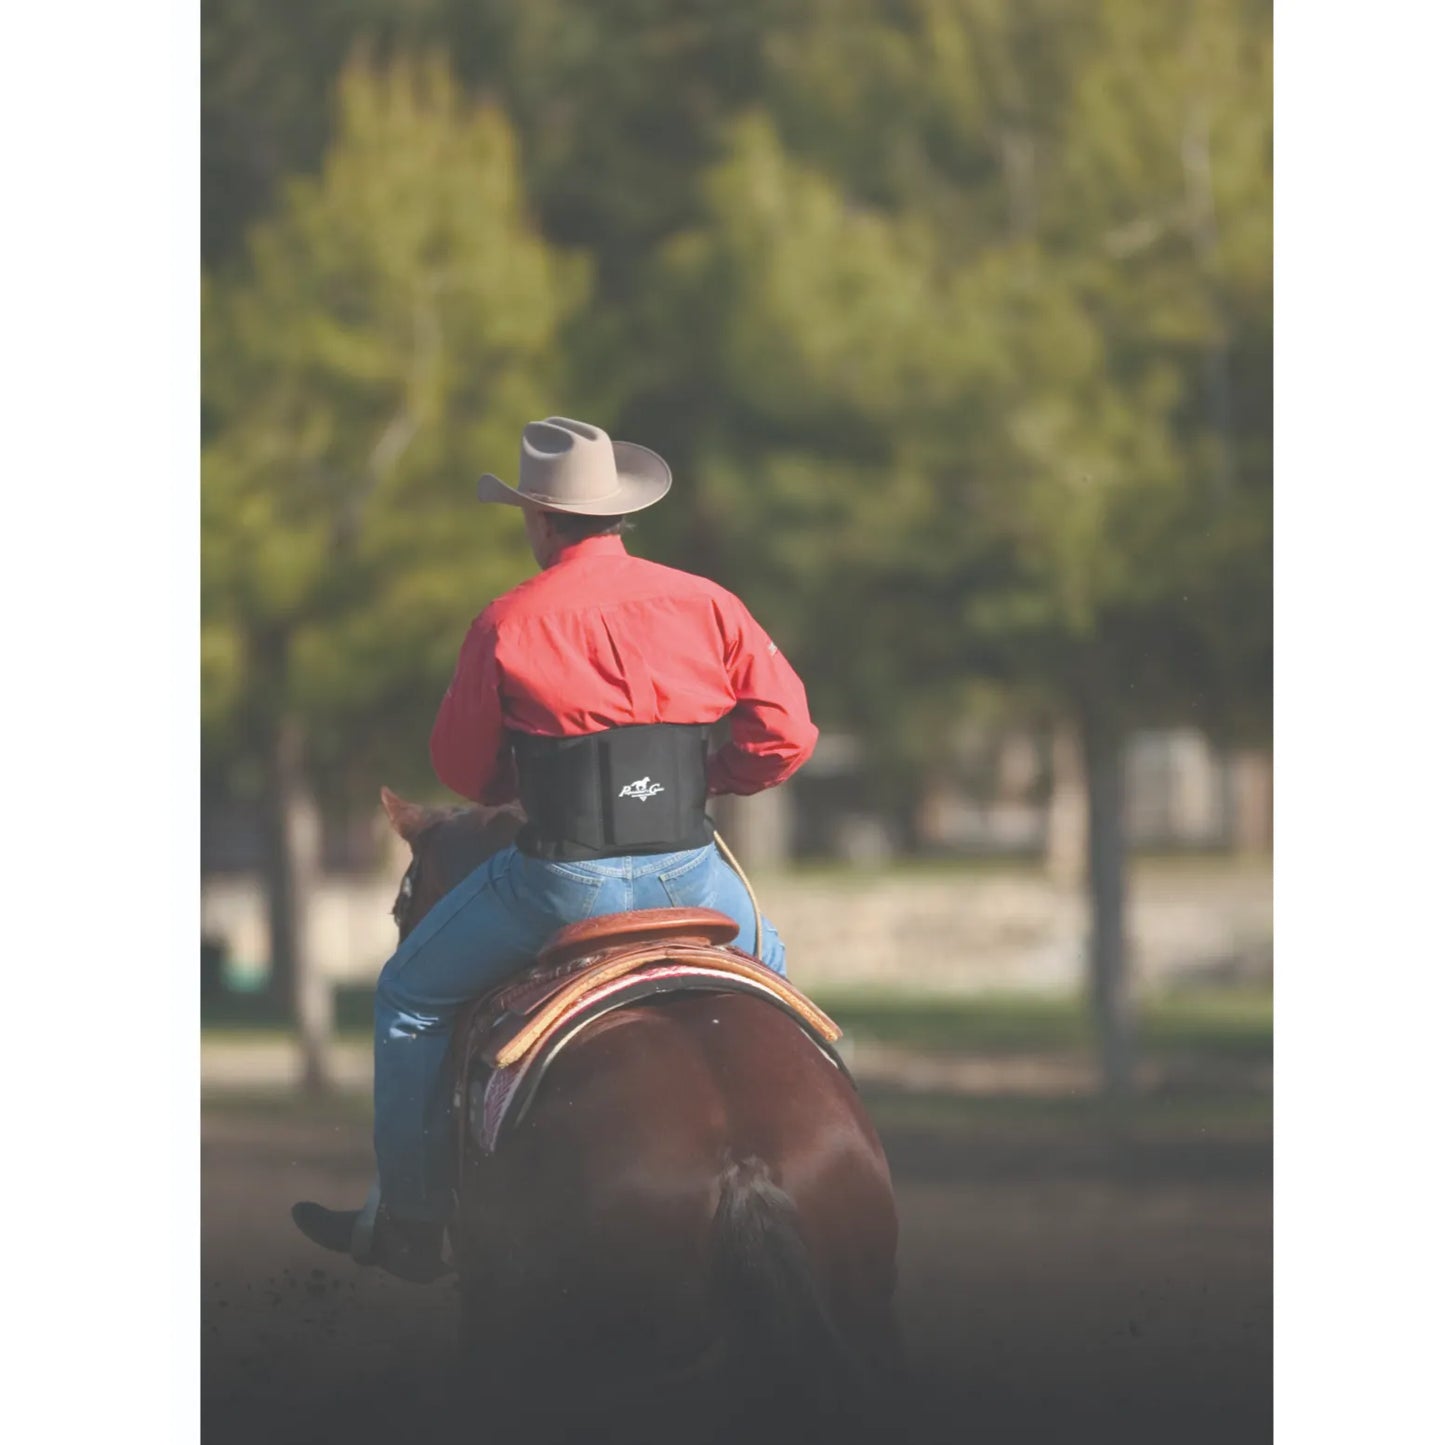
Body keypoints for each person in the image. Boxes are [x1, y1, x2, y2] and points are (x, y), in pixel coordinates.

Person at [292, 417, 818, 1281]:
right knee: (773, 977)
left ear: (539, 519)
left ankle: (413, 1220)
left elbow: (462, 769)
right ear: (617, 513)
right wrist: (710, 775)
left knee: (410, 996)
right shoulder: (709, 601)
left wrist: (524, 785)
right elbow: (787, 735)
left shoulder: (504, 622)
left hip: (563, 883)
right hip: (694, 872)